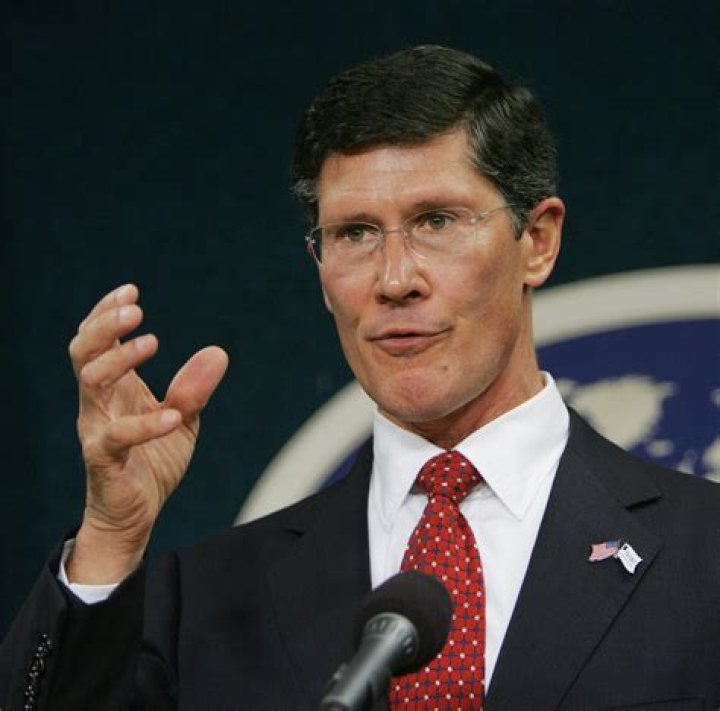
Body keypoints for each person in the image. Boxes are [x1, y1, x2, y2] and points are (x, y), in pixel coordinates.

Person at [1, 45, 718, 711]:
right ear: (319, 267)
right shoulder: (206, 599)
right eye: (354, 233)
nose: (394, 279)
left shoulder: (705, 555)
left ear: (537, 241)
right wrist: (111, 534)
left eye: (437, 220)